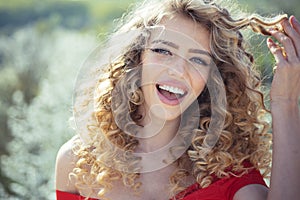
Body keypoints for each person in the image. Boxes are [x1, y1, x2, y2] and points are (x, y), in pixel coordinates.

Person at [55, 0, 300, 199]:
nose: (178, 70)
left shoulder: (230, 177)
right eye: (163, 51)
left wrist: (285, 103)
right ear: (136, 58)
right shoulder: (77, 163)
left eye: (198, 59)